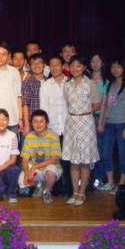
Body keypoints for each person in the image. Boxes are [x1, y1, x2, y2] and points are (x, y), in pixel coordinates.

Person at [62, 55, 101, 206]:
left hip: (86, 123)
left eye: (78, 66)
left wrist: (83, 113)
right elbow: (67, 103)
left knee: (85, 161)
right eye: (72, 66)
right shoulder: (67, 84)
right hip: (71, 122)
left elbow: (96, 104)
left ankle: (82, 192)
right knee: (74, 161)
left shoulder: (90, 83)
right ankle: (75, 192)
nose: (75, 69)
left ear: (84, 67)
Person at [97, 59, 125, 193]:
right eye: (113, 67)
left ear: (123, 68)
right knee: (105, 154)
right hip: (109, 125)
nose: (115, 70)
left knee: (123, 155)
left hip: (122, 124)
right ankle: (111, 182)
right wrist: (101, 123)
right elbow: (104, 106)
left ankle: (121, 184)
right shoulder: (109, 85)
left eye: (118, 67)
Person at [39, 56, 71, 196]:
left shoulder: (69, 83)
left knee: (68, 160)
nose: (54, 68)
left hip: (69, 128)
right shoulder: (45, 85)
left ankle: (69, 189)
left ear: (63, 66)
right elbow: (44, 108)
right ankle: (55, 188)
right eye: (51, 65)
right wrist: (46, 129)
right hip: (53, 129)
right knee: (54, 160)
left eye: (57, 65)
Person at [18, 109, 62, 204]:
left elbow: (53, 159)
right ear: (32, 123)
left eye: (41, 121)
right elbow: (25, 159)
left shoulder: (53, 136)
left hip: (50, 168)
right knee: (22, 182)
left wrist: (34, 167)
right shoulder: (29, 137)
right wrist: (26, 174)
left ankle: (47, 191)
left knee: (51, 171)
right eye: (35, 121)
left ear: (47, 123)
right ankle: (38, 185)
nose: (38, 124)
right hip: (35, 170)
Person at [89, 53, 109, 188]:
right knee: (88, 149)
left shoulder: (106, 82)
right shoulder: (86, 79)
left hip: (100, 116)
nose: (95, 64)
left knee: (99, 150)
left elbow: (105, 104)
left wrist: (101, 122)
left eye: (98, 61)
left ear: (102, 63)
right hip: (87, 117)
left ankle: (99, 178)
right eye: (93, 61)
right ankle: (86, 178)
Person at [22, 54, 47, 137]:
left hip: (48, 123)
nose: (36, 65)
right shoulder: (27, 82)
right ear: (30, 66)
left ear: (44, 65)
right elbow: (25, 105)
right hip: (33, 124)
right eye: (33, 63)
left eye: (39, 62)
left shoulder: (49, 81)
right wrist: (27, 125)